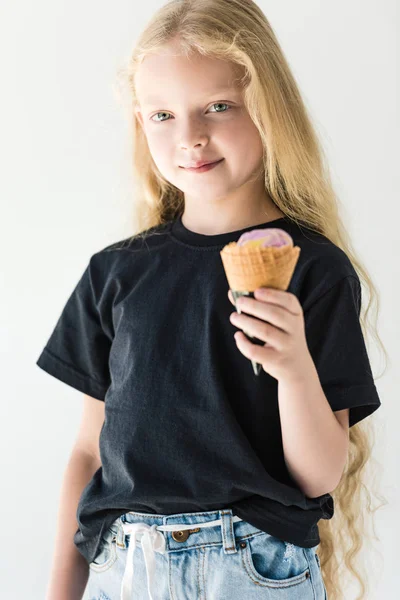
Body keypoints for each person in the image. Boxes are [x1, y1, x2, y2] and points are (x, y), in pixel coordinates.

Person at [36, 1, 387, 599]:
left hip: (252, 569)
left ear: (269, 107)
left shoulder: (315, 270)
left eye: (218, 107)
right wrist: (60, 592)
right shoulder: (115, 273)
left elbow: (320, 474)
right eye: (162, 115)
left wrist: (293, 368)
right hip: (125, 569)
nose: (190, 137)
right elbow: (87, 452)